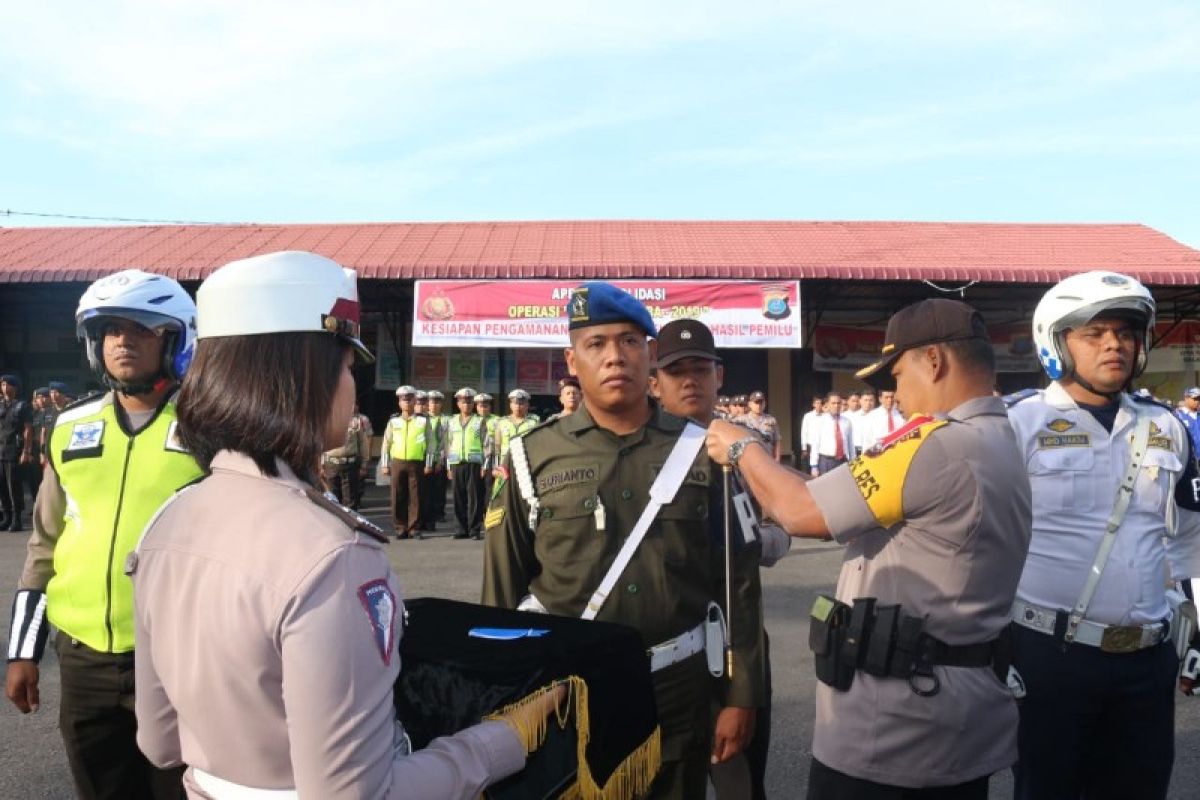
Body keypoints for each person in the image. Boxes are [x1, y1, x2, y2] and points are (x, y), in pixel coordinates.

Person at [128, 249, 551, 799]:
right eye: (349, 367)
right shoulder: (333, 553)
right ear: (302, 375)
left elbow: (161, 741)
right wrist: (500, 743)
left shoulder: (167, 520)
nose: (354, 386)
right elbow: (356, 794)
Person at [706, 297, 1032, 798]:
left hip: (896, 731)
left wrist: (739, 446)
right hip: (958, 713)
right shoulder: (997, 437)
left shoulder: (933, 446)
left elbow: (801, 511)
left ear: (934, 361)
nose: (896, 394)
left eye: (897, 375)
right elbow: (825, 494)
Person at [482, 282, 765, 800]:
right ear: (572, 360)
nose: (615, 357)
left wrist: (741, 694)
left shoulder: (703, 452)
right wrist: (500, 703)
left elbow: (738, 585)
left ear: (651, 355)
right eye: (597, 344)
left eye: (631, 342)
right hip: (565, 699)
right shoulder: (530, 457)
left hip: (678, 692)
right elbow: (501, 594)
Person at [5, 269, 203, 800]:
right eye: (110, 330)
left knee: (181, 790)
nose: (121, 340)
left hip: (179, 657)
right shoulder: (69, 427)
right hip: (83, 658)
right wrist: (23, 650)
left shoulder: (213, 426)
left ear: (175, 337)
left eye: (140, 328)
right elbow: (44, 544)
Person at [1008, 271, 1200, 800]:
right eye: (1094, 332)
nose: (1114, 343)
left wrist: (1197, 633)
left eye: (1126, 331)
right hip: (1050, 657)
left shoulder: (1169, 426)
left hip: (1148, 659)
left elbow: (1190, 539)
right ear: (1057, 340)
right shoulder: (1019, 422)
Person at [648, 318, 788, 800]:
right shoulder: (640, 451)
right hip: (670, 647)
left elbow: (781, 523)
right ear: (655, 382)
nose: (690, 380)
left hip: (739, 641)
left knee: (738, 780)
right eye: (676, 371)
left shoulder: (749, 445)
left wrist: (755, 541)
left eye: (701, 369)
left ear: (719, 376)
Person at [381, 385, 434, 540]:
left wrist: (429, 463)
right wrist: (385, 464)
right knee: (398, 494)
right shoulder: (393, 422)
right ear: (399, 403)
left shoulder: (423, 421)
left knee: (416, 496)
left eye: (410, 399)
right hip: (397, 461)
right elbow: (386, 443)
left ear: (415, 401)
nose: (407, 403)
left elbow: (431, 444)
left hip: (416, 461)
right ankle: (400, 527)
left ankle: (414, 528)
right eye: (404, 400)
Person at [445, 387, 486, 539]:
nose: (467, 405)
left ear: (473, 404)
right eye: (463, 402)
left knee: (474, 498)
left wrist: (485, 465)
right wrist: (448, 466)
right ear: (458, 404)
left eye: (469, 402)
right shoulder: (451, 421)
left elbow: (486, 444)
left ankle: (474, 530)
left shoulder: (479, 421)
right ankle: (460, 529)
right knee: (458, 497)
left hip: (474, 463)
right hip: (456, 463)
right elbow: (448, 444)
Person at [321, 398, 371, 510]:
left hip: (350, 464)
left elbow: (363, 444)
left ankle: (350, 526)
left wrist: (364, 464)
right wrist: (320, 465)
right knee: (332, 499)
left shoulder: (356, 422)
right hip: (331, 465)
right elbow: (320, 444)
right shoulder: (326, 421)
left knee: (351, 500)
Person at [0, 374, 33, 532]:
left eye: (9, 385)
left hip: (14, 450)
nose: (5, 387)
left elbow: (28, 429)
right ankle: (6, 517)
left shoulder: (22, 406)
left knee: (14, 485)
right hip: (1, 450)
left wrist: (26, 451)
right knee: (2, 487)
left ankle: (16, 518)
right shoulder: (0, 405)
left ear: (15, 388)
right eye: (3, 384)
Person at [488, 389, 540, 485]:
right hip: (505, 465)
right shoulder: (502, 422)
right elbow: (496, 448)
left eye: (521, 404)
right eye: (515, 403)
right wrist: (495, 467)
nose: (518, 406)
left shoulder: (534, 422)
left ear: (527, 405)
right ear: (510, 405)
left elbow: (537, 447)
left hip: (525, 463)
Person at [808, 392, 854, 477]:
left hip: (842, 461)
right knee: (826, 489)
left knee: (842, 487)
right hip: (826, 461)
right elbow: (815, 444)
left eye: (838, 403)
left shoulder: (847, 422)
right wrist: (814, 466)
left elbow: (850, 444)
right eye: (833, 403)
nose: (836, 406)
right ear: (827, 404)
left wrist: (853, 462)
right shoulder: (820, 421)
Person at [422, 390, 450, 528]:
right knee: (426, 489)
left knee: (439, 488)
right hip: (425, 459)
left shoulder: (447, 420)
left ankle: (439, 513)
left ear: (441, 404)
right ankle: (426, 513)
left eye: (437, 402)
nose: (434, 405)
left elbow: (447, 441)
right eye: (432, 402)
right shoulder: (422, 419)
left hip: (440, 458)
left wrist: (441, 460)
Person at [739, 391, 781, 462]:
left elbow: (777, 440)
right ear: (750, 404)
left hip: (768, 459)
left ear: (765, 404)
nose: (759, 406)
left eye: (761, 403)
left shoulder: (771, 420)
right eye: (756, 403)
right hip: (750, 460)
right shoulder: (742, 420)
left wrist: (777, 458)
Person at [798, 396, 823, 467]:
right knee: (810, 467)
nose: (819, 405)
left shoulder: (825, 416)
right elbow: (804, 432)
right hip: (810, 445)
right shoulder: (808, 416)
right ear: (813, 404)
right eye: (817, 403)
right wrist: (804, 448)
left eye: (821, 403)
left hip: (821, 445)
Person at [1177, 386, 1200, 459]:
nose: (1198, 401)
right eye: (1195, 398)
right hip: (1187, 460)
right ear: (1186, 398)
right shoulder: (1177, 416)